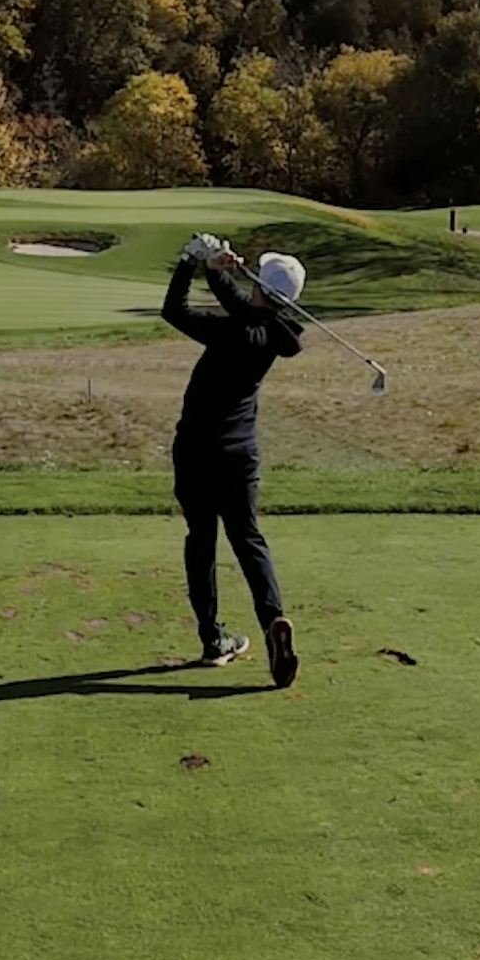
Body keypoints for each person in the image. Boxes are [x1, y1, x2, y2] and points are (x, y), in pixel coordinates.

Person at [161, 233, 306, 687]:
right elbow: (250, 308)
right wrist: (217, 272)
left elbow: (174, 311)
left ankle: (212, 639)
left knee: (201, 540)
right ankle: (272, 620)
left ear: (261, 285)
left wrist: (190, 262)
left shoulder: (230, 330)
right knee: (248, 538)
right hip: (240, 455)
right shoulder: (273, 335)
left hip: (196, 453)